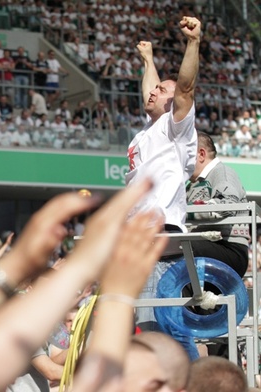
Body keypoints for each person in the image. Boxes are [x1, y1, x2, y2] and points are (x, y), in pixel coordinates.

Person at [128, 16, 202, 360]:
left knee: (158, 330)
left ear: (174, 104)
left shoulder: (177, 130)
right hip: (139, 238)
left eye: (162, 90)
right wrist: (148, 61)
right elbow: (151, 91)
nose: (153, 91)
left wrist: (193, 42)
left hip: (160, 240)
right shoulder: (150, 128)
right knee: (150, 328)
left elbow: (183, 88)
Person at [187, 132, 250, 277]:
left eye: (184, 156)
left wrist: (187, 211)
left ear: (201, 154)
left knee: (179, 246)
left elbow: (227, 204)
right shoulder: (192, 185)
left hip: (229, 249)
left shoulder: (222, 173)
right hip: (206, 246)